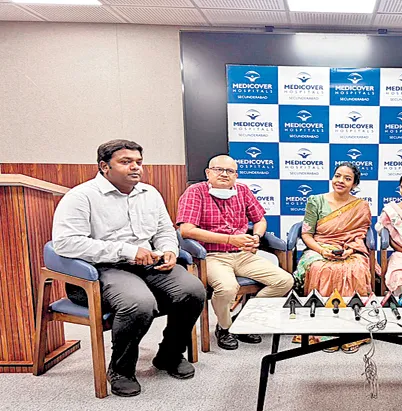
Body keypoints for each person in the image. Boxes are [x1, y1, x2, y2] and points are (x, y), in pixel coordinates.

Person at [53, 139, 206, 397]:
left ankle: (169, 354)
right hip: (104, 269)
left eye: (138, 162)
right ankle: (121, 369)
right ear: (104, 166)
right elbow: (66, 243)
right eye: (126, 162)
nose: (135, 167)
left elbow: (164, 230)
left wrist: (169, 249)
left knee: (193, 290)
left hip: (148, 264)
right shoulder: (81, 197)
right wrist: (127, 251)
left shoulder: (149, 193)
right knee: (138, 303)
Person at [177, 155, 294, 350]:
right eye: (218, 170)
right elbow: (186, 230)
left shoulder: (243, 190)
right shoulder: (195, 192)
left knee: (284, 281)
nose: (224, 174)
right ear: (208, 173)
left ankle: (244, 319)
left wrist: (256, 237)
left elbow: (260, 220)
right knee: (227, 288)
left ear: (236, 175)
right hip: (211, 256)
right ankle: (224, 328)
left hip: (243, 254)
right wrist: (229, 239)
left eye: (230, 171)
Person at [293, 162, 373, 353]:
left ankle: (353, 331)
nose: (340, 181)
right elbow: (306, 234)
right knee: (321, 269)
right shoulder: (315, 201)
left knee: (356, 269)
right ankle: (323, 331)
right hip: (319, 247)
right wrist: (322, 251)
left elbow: (360, 235)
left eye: (347, 178)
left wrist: (350, 250)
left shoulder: (360, 206)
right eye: (337, 176)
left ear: (354, 184)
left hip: (350, 249)